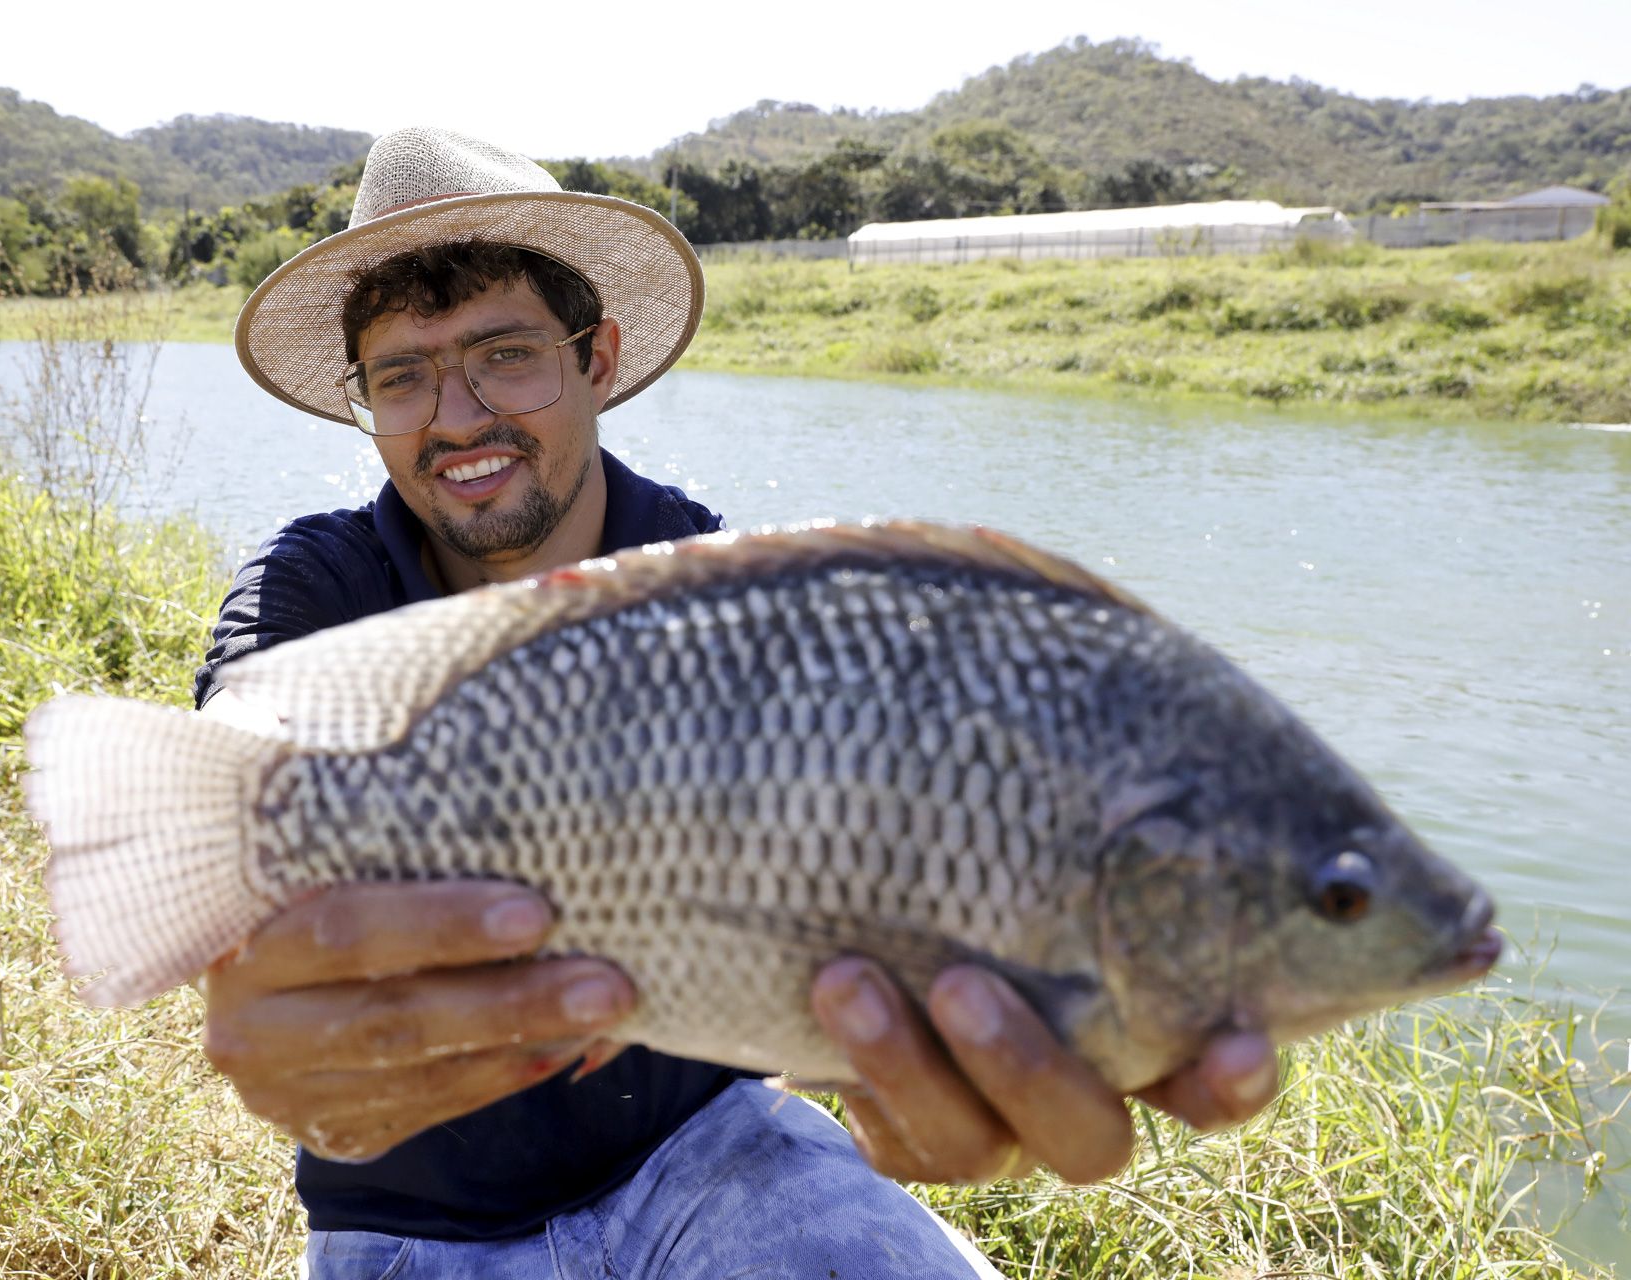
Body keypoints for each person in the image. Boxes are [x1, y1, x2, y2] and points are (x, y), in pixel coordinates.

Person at [194, 127, 1281, 1279]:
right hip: (411, 1214)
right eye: (402, 375)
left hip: (702, 1155)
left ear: (598, 357)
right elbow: (237, 755)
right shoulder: (321, 577)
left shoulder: (719, 580)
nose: (456, 416)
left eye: (504, 354)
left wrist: (944, 1002)